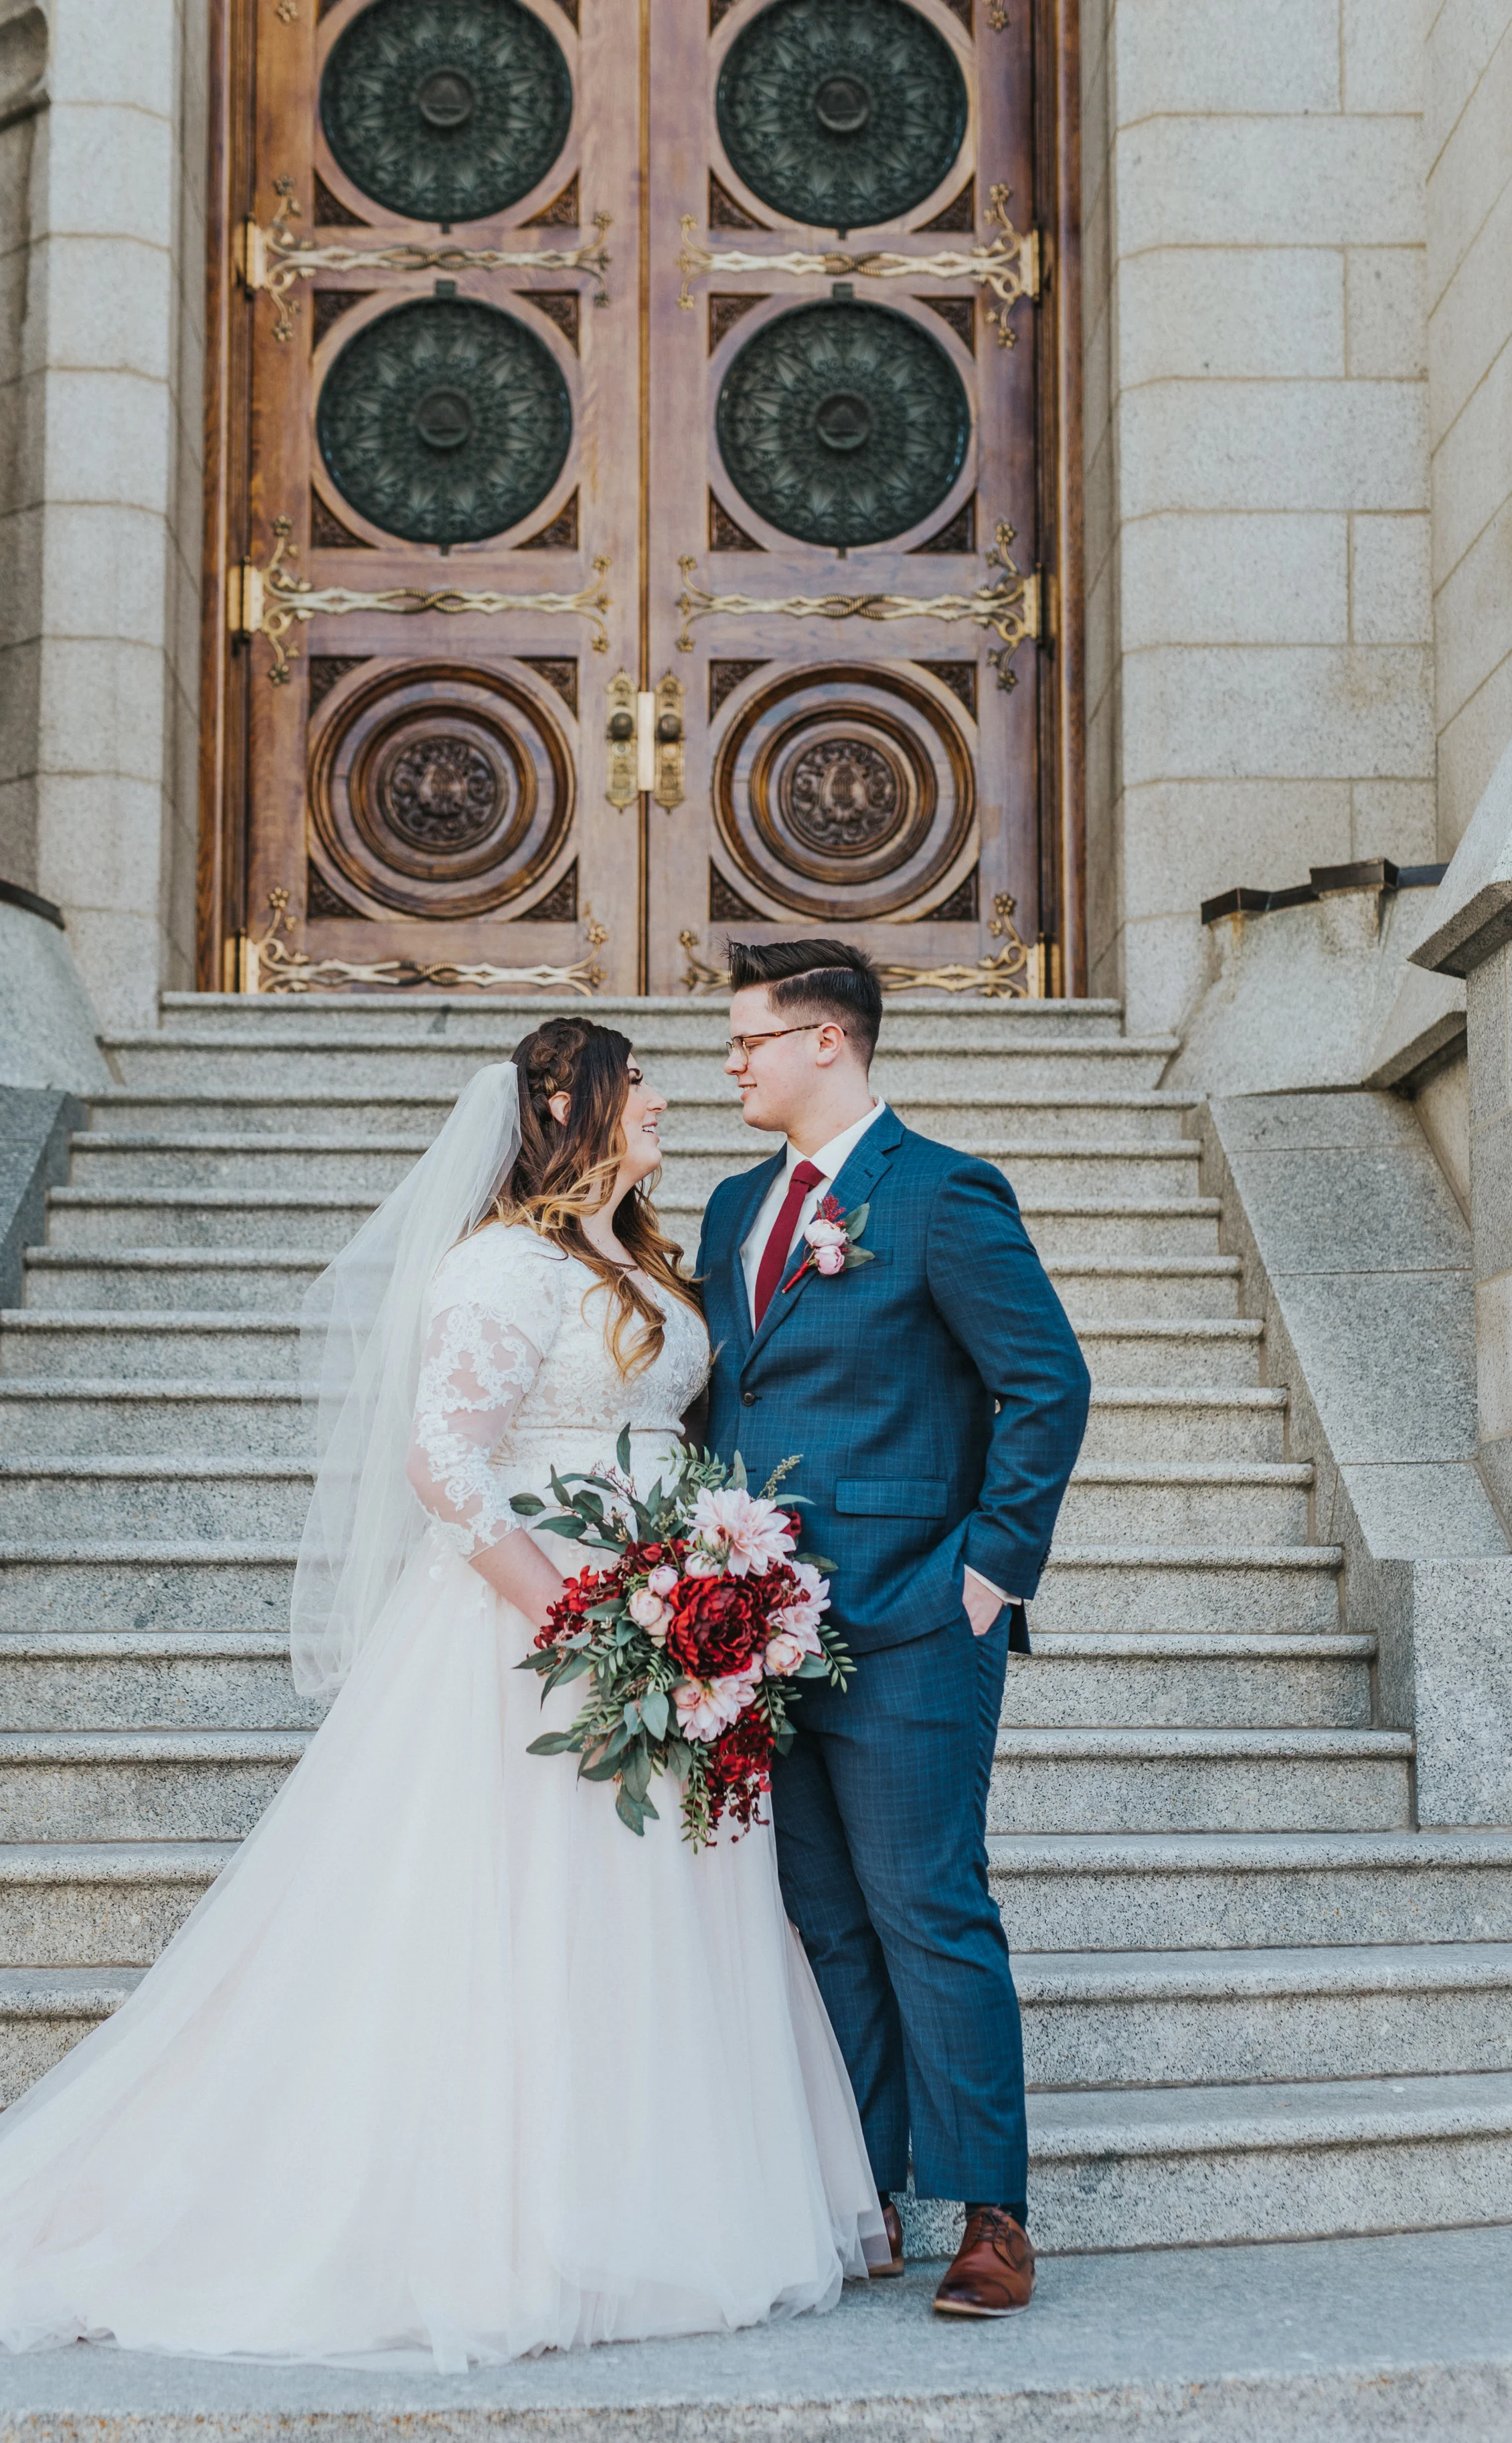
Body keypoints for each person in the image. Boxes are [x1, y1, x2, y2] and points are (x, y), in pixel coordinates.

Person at [0, 1018, 886, 2377]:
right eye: (640, 1085)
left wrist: (705, 1589)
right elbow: (445, 1463)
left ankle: (634, 2212)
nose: (668, 1099)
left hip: (676, 1621)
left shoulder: (643, 1258)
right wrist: (581, 1616)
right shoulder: (501, 1264)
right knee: (529, 1915)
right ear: (570, 1105)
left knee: (650, 1915)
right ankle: (513, 2225)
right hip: (542, 1634)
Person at [694, 941, 1091, 2319]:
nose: (731, 1063)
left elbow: (1045, 1383)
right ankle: (861, 2192)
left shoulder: (935, 1194)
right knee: (821, 1920)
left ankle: (991, 2212)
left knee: (927, 1903)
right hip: (751, 1630)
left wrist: (988, 1571)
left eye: (749, 1039)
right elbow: (723, 1407)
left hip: (916, 1618)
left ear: (826, 1043)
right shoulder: (732, 1206)